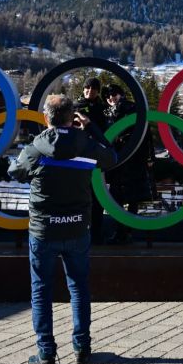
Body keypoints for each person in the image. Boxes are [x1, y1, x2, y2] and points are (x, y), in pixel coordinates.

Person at [8, 94, 117, 364]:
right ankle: (82, 348)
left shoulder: (36, 148)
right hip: (78, 227)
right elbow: (111, 157)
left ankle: (46, 353)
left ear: (46, 118)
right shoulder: (87, 144)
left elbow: (14, 172)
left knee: (41, 289)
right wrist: (91, 127)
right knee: (79, 287)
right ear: (73, 118)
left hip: (43, 230)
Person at [103, 83, 153, 244]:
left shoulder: (128, 109)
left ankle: (123, 233)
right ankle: (125, 232)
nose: (111, 98)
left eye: (113, 94)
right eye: (108, 96)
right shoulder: (113, 111)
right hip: (128, 159)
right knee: (129, 197)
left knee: (122, 197)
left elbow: (140, 133)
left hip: (125, 159)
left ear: (121, 94)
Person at [75, 77, 108, 244]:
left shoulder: (103, 108)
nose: (90, 91)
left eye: (94, 89)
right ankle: (79, 233)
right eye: (87, 88)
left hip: (97, 158)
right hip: (78, 157)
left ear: (98, 91)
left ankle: (96, 234)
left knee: (97, 198)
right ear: (83, 89)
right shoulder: (75, 106)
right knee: (78, 197)